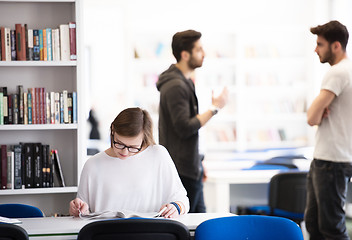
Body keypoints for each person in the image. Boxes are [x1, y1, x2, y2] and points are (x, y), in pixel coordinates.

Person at [69, 107, 189, 218]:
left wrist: (176, 207)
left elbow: (182, 200)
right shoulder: (92, 164)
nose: (125, 152)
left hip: (149, 232)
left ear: (144, 140)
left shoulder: (158, 155)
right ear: (112, 132)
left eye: (133, 147)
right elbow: (82, 211)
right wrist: (77, 209)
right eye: (119, 143)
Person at [156, 30, 228, 213]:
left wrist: (198, 160)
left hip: (190, 167)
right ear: (185, 54)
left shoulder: (184, 81)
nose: (203, 54)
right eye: (199, 49)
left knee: (199, 225)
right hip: (182, 171)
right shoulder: (175, 85)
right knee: (189, 227)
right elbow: (184, 127)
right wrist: (214, 108)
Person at [305, 20, 352, 240]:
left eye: (320, 44)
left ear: (336, 46)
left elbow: (311, 117)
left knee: (331, 229)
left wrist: (318, 108)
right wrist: (320, 107)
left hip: (331, 162)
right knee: (315, 225)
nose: (316, 49)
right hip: (327, 160)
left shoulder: (338, 72)